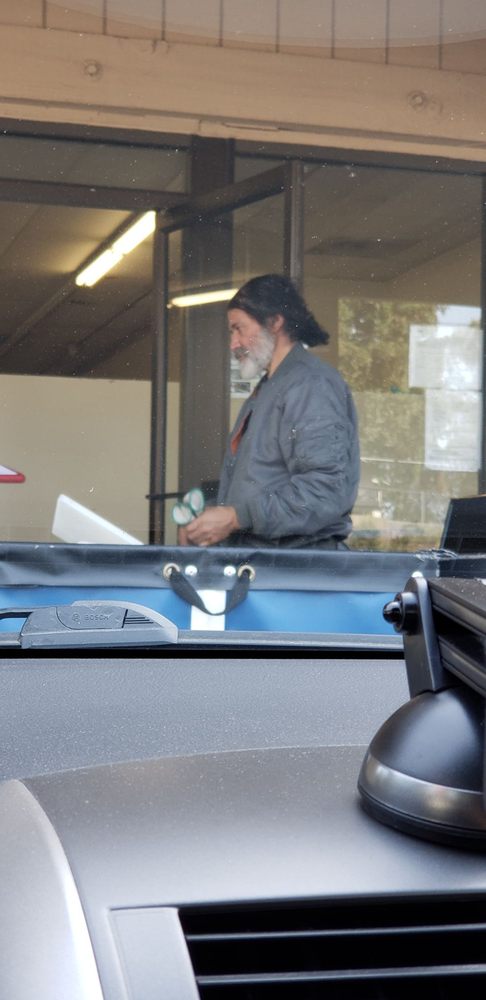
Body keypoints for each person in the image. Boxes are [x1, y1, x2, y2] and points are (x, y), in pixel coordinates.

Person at [181, 273, 360, 548]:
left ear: (275, 322)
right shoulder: (270, 387)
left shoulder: (310, 384)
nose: (233, 344)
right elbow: (259, 485)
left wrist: (235, 517)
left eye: (239, 329)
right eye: (231, 332)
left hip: (295, 566)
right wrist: (207, 521)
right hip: (268, 563)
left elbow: (325, 490)